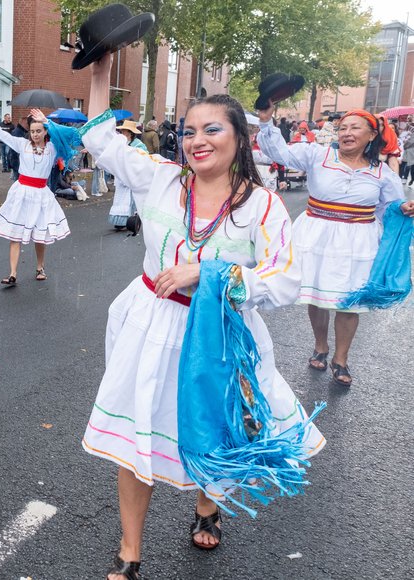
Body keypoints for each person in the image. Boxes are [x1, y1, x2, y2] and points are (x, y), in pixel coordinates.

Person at [81, 54, 325, 580]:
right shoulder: (161, 181)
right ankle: (129, 550)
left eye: (212, 129)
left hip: (218, 334)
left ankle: (207, 504)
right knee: (137, 436)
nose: (197, 140)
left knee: (211, 428)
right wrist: (100, 75)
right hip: (150, 322)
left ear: (239, 137)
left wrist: (209, 273)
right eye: (189, 130)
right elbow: (101, 141)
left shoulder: (262, 206)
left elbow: (285, 281)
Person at [256, 105, 413, 386]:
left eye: (355, 128)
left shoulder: (381, 173)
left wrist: (404, 207)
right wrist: (267, 124)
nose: (347, 133)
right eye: (343, 128)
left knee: (349, 302)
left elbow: (390, 205)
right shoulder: (318, 155)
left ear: (371, 135)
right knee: (317, 296)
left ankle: (341, 359)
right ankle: (321, 346)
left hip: (358, 240)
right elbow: (280, 153)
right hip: (316, 235)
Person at [0, 105, 71, 284]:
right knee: (16, 233)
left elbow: (66, 135)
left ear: (45, 132)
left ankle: (40, 267)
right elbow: (2, 134)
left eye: (39, 131)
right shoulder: (23, 144)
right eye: (32, 131)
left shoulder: (52, 148)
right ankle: (12, 273)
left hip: (41, 195)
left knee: (40, 234)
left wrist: (47, 121)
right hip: (21, 193)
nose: (35, 134)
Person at [106, 120, 147, 230]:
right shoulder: (122, 143)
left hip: (131, 174)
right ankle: (119, 220)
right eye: (122, 130)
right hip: (120, 175)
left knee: (129, 198)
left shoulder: (139, 145)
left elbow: (144, 159)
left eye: (124, 130)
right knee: (120, 198)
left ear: (130, 132)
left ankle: (130, 220)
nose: (122, 132)